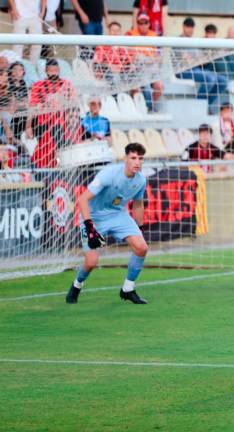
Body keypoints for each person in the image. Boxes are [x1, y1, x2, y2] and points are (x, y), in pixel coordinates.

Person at [65, 142, 150, 305]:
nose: (137, 162)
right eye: (133, 158)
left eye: (140, 159)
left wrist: (139, 228)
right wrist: (89, 227)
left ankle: (128, 289)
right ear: (125, 158)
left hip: (118, 214)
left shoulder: (140, 180)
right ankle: (76, 286)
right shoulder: (109, 174)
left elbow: (138, 204)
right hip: (93, 217)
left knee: (141, 247)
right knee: (91, 262)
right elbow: (82, 199)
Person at [26, 59, 80, 168]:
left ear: (59, 70)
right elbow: (32, 107)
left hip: (63, 124)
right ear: (46, 71)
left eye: (55, 70)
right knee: (48, 146)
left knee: (62, 144)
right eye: (51, 71)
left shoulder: (66, 84)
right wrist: (28, 127)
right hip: (43, 124)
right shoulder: (38, 85)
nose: (53, 73)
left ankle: (61, 166)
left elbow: (74, 105)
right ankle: (43, 166)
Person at [175, 17, 229, 114]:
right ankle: (198, 107)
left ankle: (205, 105)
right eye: (188, 26)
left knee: (223, 81)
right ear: (183, 27)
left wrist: (204, 56)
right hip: (183, 71)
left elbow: (201, 62)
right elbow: (186, 61)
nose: (190, 29)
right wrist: (196, 59)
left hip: (196, 69)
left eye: (192, 27)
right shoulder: (177, 41)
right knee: (210, 78)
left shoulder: (194, 42)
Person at [125, 13, 164, 112]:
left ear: (148, 24)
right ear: (137, 23)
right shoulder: (130, 34)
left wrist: (152, 60)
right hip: (137, 68)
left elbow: (159, 57)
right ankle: (146, 108)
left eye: (145, 23)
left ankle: (148, 106)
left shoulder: (154, 35)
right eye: (140, 23)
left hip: (151, 68)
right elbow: (127, 53)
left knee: (159, 86)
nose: (143, 25)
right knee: (141, 86)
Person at [9, 0, 46, 65]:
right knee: (17, 44)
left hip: (35, 17)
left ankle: (33, 67)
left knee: (37, 44)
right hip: (19, 15)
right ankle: (15, 68)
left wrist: (42, 12)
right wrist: (14, 9)